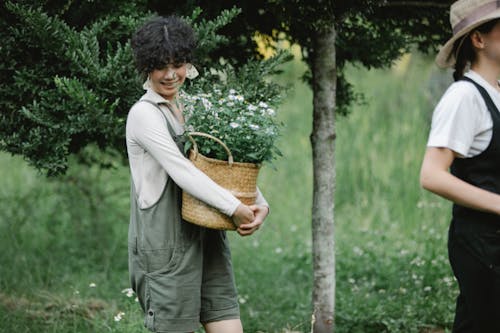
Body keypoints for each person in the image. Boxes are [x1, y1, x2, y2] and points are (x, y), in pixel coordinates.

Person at [126, 15, 269, 333]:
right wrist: (235, 208)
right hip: (166, 247)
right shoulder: (143, 114)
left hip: (207, 233)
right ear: (146, 66)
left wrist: (259, 202)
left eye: (177, 64)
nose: (169, 75)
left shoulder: (190, 106)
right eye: (160, 65)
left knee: (227, 322)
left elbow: (220, 164)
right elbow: (183, 172)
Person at [420, 0, 500, 332]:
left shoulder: (495, 92)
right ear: (478, 40)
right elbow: (432, 175)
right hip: (482, 244)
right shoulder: (463, 98)